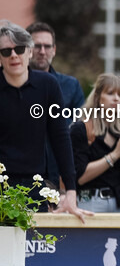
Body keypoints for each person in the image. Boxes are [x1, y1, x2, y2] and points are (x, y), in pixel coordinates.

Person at [0, 20, 88, 221]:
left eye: (19, 49)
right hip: (1, 183)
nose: (14, 55)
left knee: (34, 248)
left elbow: (60, 138)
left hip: (35, 184)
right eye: (6, 51)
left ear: (29, 52)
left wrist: (71, 192)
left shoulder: (48, 85)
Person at [70, 74, 120, 212]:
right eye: (110, 93)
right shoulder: (81, 129)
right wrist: (115, 154)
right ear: (98, 97)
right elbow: (80, 177)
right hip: (91, 202)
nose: (116, 98)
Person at [27, 22, 85, 186]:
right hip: (21, 171)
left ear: (54, 49)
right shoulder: (12, 86)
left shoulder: (70, 85)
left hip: (60, 173)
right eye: (37, 46)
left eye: (47, 46)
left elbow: (80, 130)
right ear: (27, 48)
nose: (42, 51)